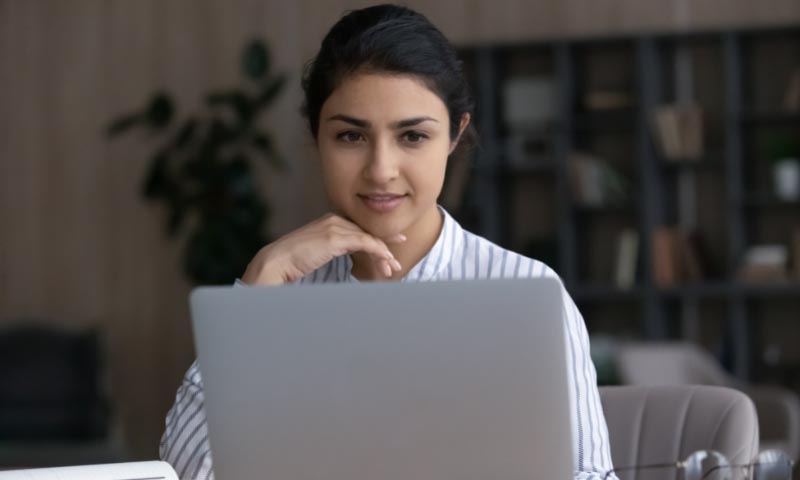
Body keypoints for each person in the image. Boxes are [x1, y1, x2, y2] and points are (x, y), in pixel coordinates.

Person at [159, 4, 616, 480]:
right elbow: (182, 473)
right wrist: (256, 292)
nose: (381, 170)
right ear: (317, 137)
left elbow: (590, 475)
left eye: (413, 136)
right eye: (352, 136)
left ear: (455, 135)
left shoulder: (526, 291)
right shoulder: (277, 296)